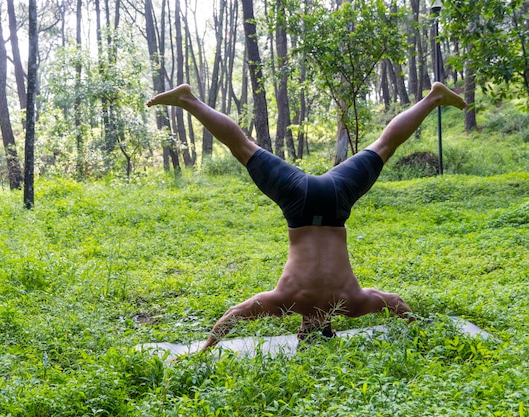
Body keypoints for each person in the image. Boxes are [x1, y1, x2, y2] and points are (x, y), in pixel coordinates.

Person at [147, 82, 467, 351]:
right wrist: (205, 349)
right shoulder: (287, 302)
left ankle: (433, 98)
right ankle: (187, 99)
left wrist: (417, 328)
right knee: (242, 147)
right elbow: (234, 314)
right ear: (302, 332)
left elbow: (395, 302)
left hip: (335, 201)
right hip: (298, 204)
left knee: (384, 145)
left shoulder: (350, 304)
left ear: (332, 330)